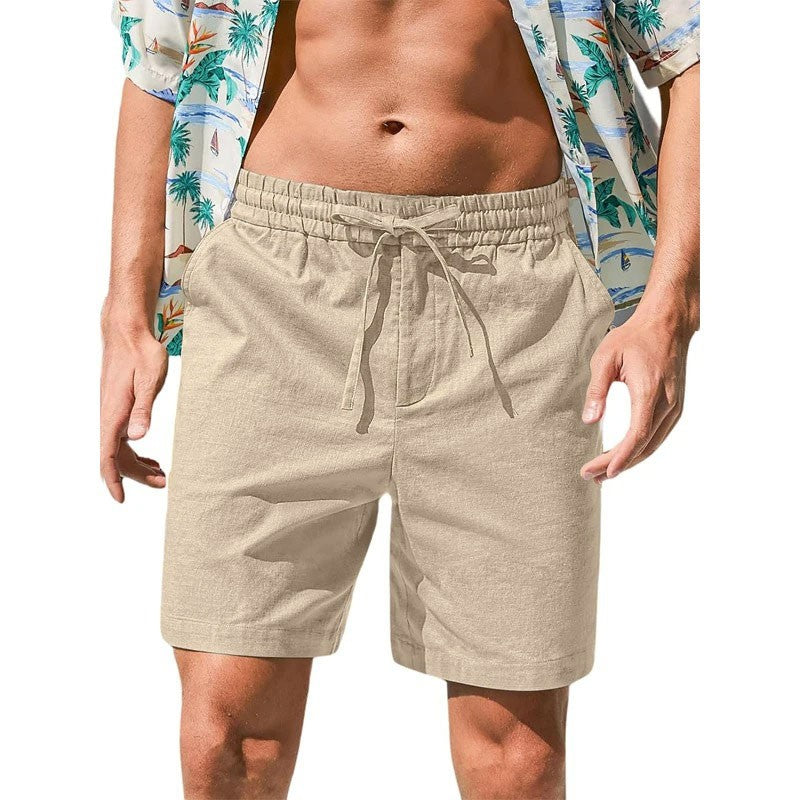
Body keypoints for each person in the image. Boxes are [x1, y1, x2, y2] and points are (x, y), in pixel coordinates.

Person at [101, 1, 699, 797]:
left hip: (515, 292)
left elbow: (690, 52)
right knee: (230, 740)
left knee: (518, 756)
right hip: (271, 291)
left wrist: (671, 303)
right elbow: (158, 56)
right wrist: (126, 315)